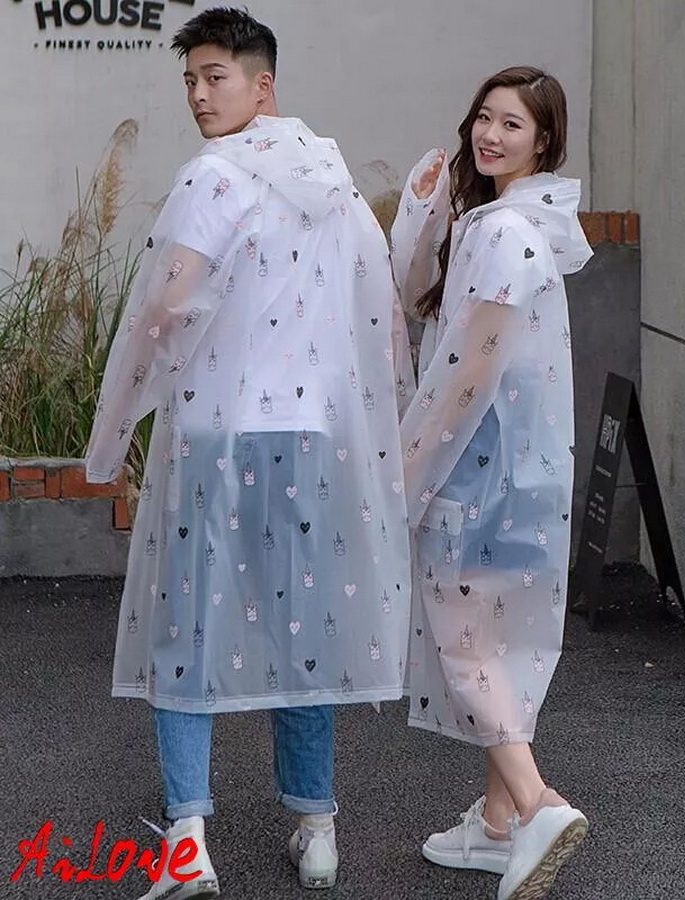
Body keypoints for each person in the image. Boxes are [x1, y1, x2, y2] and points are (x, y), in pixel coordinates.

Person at [85, 8, 413, 898]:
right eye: (190, 79)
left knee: (185, 625)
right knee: (303, 627)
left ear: (262, 84)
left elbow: (166, 305)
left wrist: (115, 428)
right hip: (312, 438)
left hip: (219, 434)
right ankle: (317, 831)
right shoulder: (331, 178)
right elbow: (380, 313)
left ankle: (189, 838)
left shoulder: (214, 174)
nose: (199, 94)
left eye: (215, 76)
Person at [391, 67, 592, 900]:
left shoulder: (504, 233)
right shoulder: (516, 223)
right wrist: (424, 213)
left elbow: (468, 371)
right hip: (521, 475)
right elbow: (419, 302)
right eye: (484, 117)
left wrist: (408, 468)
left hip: (477, 473)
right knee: (499, 643)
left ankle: (539, 803)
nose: (490, 134)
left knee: (466, 642)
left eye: (512, 124)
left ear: (544, 141)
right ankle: (499, 823)